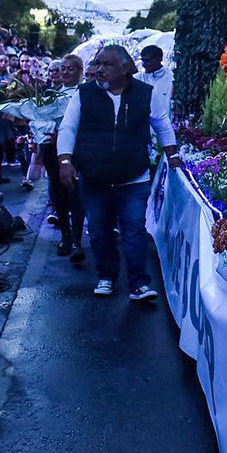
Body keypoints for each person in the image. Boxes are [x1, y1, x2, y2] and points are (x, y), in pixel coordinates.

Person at [57, 45, 180, 301]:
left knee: (133, 230)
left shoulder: (147, 93)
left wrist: (173, 156)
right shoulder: (84, 93)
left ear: (125, 68)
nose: (99, 69)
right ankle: (106, 276)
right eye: (98, 64)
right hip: (94, 177)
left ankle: (139, 283)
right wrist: (65, 160)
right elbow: (68, 127)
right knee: (100, 230)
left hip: (134, 177)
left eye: (106, 64)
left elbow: (162, 125)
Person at [41, 54, 87, 261]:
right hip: (51, 149)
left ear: (80, 71)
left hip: (76, 150)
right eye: (63, 68)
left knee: (75, 193)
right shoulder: (51, 94)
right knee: (58, 192)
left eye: (70, 69)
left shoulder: (86, 93)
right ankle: (65, 236)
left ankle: (77, 240)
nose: (65, 72)